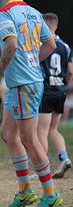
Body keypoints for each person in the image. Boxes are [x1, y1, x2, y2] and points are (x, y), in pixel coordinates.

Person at [0, 0, 62, 206]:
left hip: (23, 85)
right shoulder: (34, 12)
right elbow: (51, 45)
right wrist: (33, 61)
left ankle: (51, 195)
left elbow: (11, 44)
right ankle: (25, 191)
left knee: (29, 139)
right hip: (23, 83)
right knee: (8, 135)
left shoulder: (4, 13)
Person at [37, 12, 72, 179]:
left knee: (41, 131)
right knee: (53, 129)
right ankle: (64, 158)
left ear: (43, 26)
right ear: (56, 26)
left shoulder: (41, 44)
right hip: (61, 91)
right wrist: (64, 83)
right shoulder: (65, 46)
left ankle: (42, 170)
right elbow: (71, 71)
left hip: (46, 91)